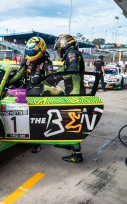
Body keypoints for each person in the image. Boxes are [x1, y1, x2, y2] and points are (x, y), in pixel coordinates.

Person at [9, 36, 53, 153]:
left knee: (36, 119)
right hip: (25, 91)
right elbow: (18, 74)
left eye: (32, 51)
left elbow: (51, 81)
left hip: (39, 93)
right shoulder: (26, 59)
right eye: (28, 50)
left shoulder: (47, 63)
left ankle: (37, 143)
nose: (30, 53)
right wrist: (7, 82)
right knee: (23, 117)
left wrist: (39, 76)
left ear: (41, 49)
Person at [53, 34, 85, 163]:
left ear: (64, 43)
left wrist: (59, 77)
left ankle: (77, 155)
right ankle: (69, 143)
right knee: (67, 120)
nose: (58, 49)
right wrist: (53, 75)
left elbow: (71, 70)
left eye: (59, 46)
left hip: (75, 94)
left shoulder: (72, 53)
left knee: (73, 123)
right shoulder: (71, 54)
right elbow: (64, 69)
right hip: (72, 92)